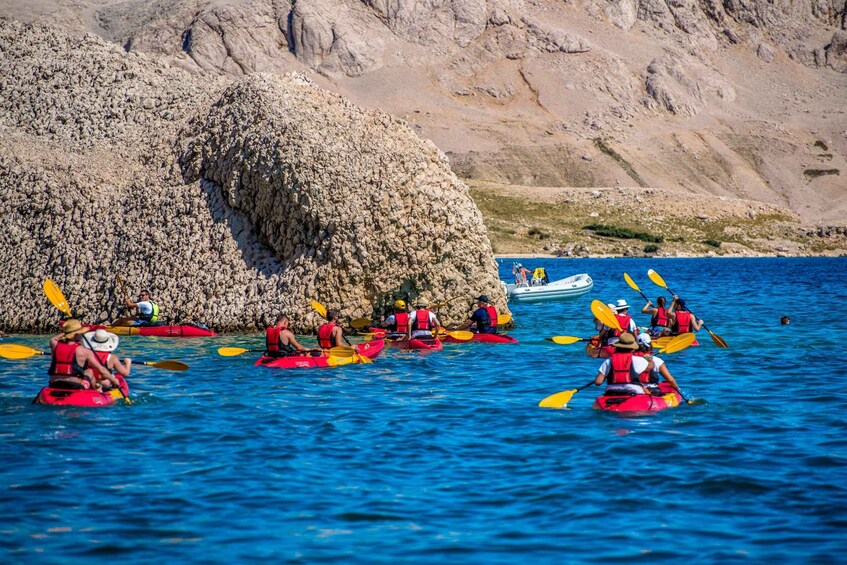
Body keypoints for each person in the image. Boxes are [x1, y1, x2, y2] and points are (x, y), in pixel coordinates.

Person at [48, 319, 117, 391]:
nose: (82, 334)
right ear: (76, 335)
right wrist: (114, 380)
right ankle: (97, 390)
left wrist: (67, 332)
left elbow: (54, 338)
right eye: (81, 333)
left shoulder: (54, 345)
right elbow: (101, 370)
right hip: (74, 385)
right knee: (89, 371)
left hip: (54, 384)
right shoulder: (84, 351)